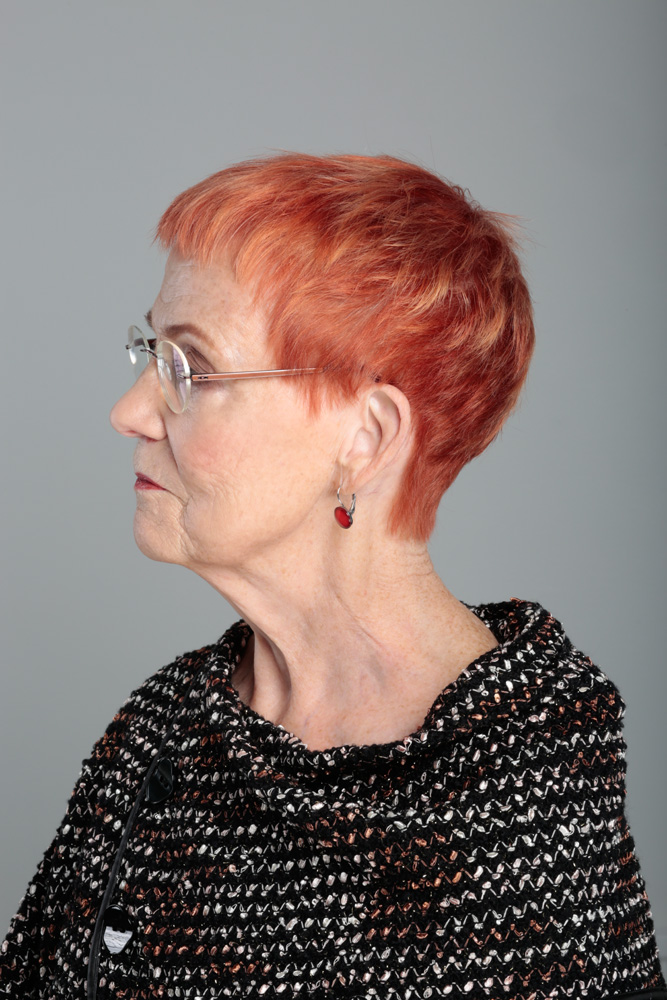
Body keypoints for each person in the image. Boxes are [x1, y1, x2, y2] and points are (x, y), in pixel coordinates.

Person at [0, 153, 664, 1000]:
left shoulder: (524, 809)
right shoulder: (162, 729)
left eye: (189, 369)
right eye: (149, 352)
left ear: (365, 438)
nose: (129, 412)